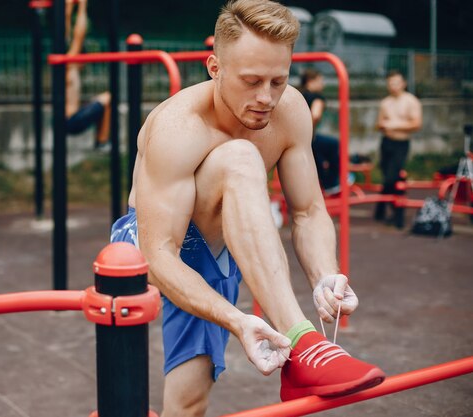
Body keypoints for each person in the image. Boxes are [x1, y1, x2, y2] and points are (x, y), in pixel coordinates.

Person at [110, 1, 385, 415]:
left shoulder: (290, 110)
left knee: (188, 403)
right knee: (239, 157)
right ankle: (304, 344)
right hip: (152, 239)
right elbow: (158, 252)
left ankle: (298, 358)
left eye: (278, 80)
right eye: (251, 80)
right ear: (214, 67)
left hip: (223, 236)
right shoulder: (178, 127)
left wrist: (326, 275)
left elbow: (309, 210)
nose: (266, 97)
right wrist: (238, 320)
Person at [374, 70, 422, 222]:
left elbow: (416, 124)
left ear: (403, 83)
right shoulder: (385, 102)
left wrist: (395, 125)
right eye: (390, 83)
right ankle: (388, 211)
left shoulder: (411, 101)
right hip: (386, 142)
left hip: (401, 144)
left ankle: (394, 211)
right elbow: (379, 124)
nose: (393, 86)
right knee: (387, 177)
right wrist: (384, 125)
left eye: (396, 82)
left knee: (392, 178)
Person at [65, 0, 111, 149]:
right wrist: (83, 5)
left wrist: (69, 8)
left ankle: (101, 140)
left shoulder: (65, 67)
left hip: (69, 118)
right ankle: (102, 141)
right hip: (70, 121)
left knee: (102, 99)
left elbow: (66, 36)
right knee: (108, 98)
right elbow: (78, 36)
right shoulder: (69, 65)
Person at [299, 68, 344, 195]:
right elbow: (316, 115)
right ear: (310, 82)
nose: (322, 84)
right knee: (334, 144)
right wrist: (309, 130)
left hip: (295, 137)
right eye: (320, 81)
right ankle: (332, 182)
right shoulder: (317, 97)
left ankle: (323, 181)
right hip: (307, 136)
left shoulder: (299, 94)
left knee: (316, 154)